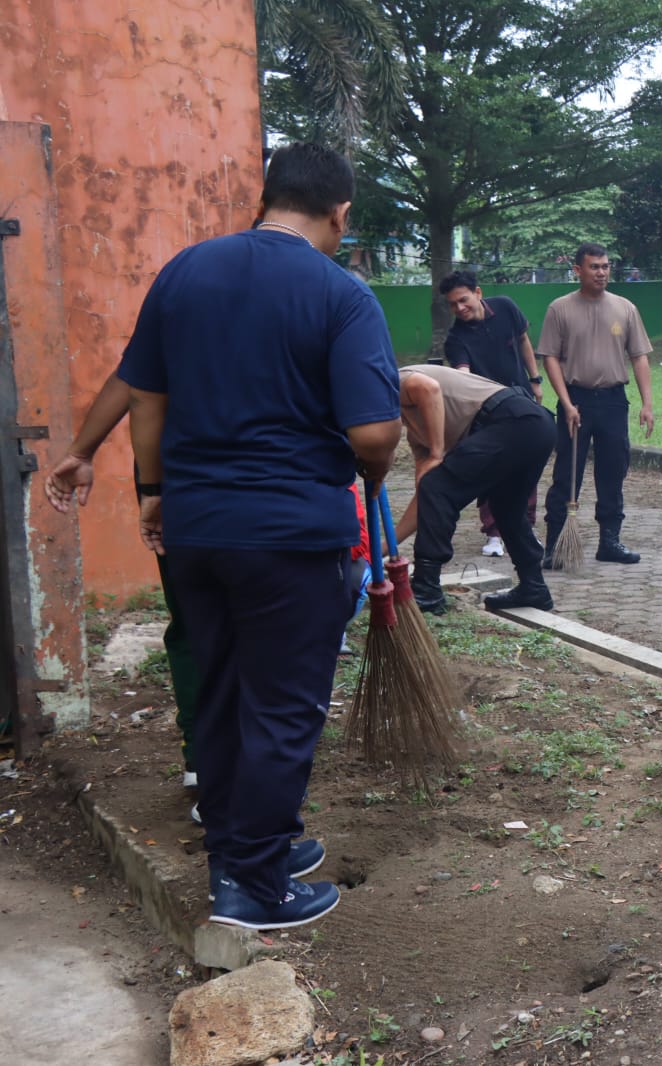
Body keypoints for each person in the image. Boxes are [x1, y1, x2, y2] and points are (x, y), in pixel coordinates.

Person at [119, 143, 402, 929]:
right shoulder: (340, 293)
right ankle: (253, 886)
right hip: (288, 536)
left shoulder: (184, 272)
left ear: (268, 197)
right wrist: (376, 467)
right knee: (282, 706)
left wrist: (153, 493)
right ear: (340, 213)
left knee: (221, 692)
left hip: (195, 527)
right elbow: (374, 432)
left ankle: (245, 847)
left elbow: (146, 398)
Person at [46, 373, 202, 793]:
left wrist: (85, 453)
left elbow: (139, 381)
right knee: (261, 621)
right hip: (271, 469)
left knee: (194, 618)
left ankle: (206, 757)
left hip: (182, 467)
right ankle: (257, 764)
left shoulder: (172, 323)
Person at [393, 365, 557, 614]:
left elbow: (428, 387)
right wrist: (387, 546)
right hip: (533, 425)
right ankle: (533, 586)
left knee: (439, 486)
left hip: (515, 419)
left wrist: (437, 454)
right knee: (507, 508)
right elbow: (426, 499)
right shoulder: (417, 433)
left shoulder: (392, 380)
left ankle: (426, 590)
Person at [539, 242, 654, 566]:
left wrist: (647, 404)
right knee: (567, 473)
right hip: (575, 401)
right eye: (594, 267)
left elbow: (639, 358)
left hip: (614, 401)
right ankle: (555, 546)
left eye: (605, 266)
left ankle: (610, 542)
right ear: (578, 270)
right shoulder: (559, 309)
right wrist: (566, 403)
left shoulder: (625, 308)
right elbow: (550, 358)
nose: (601, 272)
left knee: (613, 471)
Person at [439, 271, 546, 560]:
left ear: (478, 293)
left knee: (526, 465)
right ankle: (495, 533)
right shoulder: (456, 339)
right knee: (492, 469)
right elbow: (462, 375)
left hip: (522, 400)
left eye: (463, 300)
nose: (460, 308)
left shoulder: (506, 307)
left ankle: (525, 527)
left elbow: (523, 340)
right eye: (453, 304)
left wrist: (535, 380)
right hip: (487, 411)